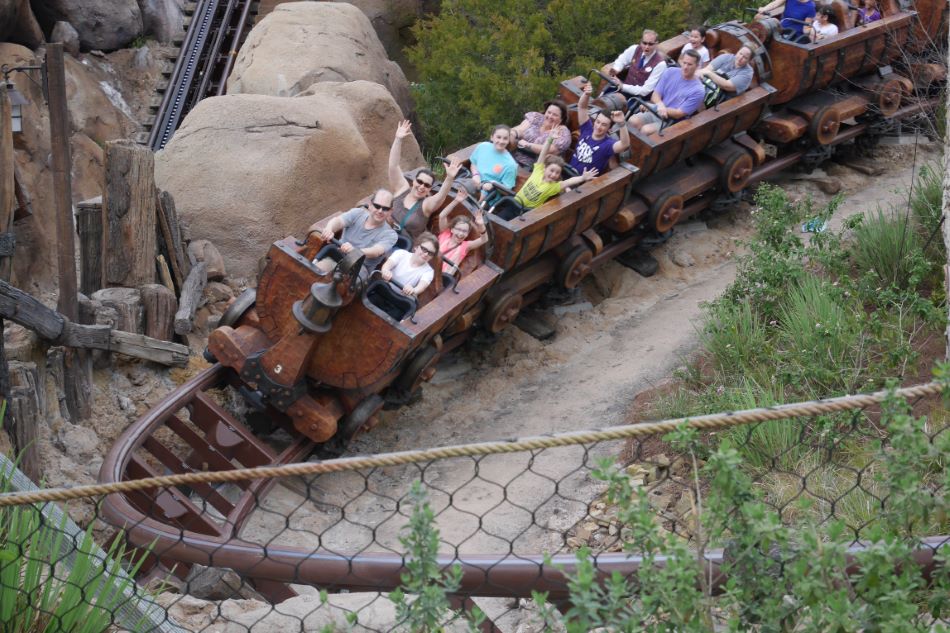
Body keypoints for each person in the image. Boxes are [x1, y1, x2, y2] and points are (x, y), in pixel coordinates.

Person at [388, 120, 463, 238]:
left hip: (402, 245)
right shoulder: (402, 188)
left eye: (427, 185)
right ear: (414, 181)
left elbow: (441, 196)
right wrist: (398, 139)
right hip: (382, 232)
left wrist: (449, 177)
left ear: (429, 189)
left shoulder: (426, 205)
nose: (422, 186)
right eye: (420, 182)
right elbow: (393, 166)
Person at [312, 189, 398, 276]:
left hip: (359, 270)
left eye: (385, 208)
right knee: (316, 272)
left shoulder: (390, 234)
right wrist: (329, 229)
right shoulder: (357, 213)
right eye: (377, 206)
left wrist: (355, 251)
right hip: (338, 255)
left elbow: (376, 251)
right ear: (371, 205)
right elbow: (338, 221)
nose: (380, 211)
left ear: (390, 211)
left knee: (338, 283)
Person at [629, 49, 705, 136]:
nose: (685, 67)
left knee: (646, 131)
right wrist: (659, 105)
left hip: (672, 121)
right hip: (657, 111)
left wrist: (655, 107)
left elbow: (678, 114)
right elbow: (655, 95)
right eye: (684, 63)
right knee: (633, 121)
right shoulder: (670, 71)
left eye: (690, 64)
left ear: (697, 66)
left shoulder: (698, 90)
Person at [515, 135, 598, 211]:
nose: (554, 175)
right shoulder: (538, 171)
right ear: (545, 168)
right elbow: (543, 154)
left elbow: (568, 182)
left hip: (525, 213)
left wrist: (582, 178)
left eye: (557, 173)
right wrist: (549, 140)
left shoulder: (553, 187)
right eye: (552, 171)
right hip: (514, 203)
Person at [568, 82, 630, 175]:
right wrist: (586, 95)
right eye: (598, 122)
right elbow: (582, 107)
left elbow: (624, 144)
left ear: (609, 129)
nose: (598, 126)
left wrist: (622, 123)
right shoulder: (587, 129)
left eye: (604, 125)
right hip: (567, 171)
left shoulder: (608, 144)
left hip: (582, 184)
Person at [603, 29, 668, 98]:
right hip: (623, 88)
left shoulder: (660, 64)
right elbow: (621, 60)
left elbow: (645, 91)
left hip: (638, 97)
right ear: (641, 42)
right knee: (604, 96)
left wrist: (623, 86)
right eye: (644, 43)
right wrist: (616, 69)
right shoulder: (634, 49)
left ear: (656, 44)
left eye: (650, 44)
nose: (647, 47)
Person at [437, 190, 489, 273]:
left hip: (441, 277)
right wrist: (456, 201)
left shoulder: (465, 246)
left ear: (467, 234)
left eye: (464, 231)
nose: (461, 234)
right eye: (458, 229)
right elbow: (442, 216)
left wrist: (481, 225)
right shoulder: (445, 234)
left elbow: (484, 239)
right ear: (452, 229)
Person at [510, 100, 572, 169]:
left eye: (555, 115)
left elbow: (550, 150)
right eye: (549, 112)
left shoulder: (563, 133)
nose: (550, 116)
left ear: (561, 119)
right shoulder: (536, 117)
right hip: (513, 156)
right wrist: (513, 133)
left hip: (534, 167)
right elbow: (520, 129)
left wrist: (528, 145)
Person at [380, 232, 439, 298]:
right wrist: (385, 271)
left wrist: (413, 290)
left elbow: (421, 286)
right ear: (416, 247)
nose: (426, 254)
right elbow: (387, 265)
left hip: (402, 299)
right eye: (424, 249)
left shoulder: (428, 271)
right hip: (384, 289)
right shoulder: (401, 253)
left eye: (430, 253)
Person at [468, 125, 518, 201]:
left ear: (508, 141)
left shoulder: (511, 165)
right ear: (492, 137)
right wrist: (475, 175)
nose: (501, 141)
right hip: (472, 182)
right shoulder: (483, 146)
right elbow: (473, 163)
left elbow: (507, 191)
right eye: (498, 137)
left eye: (505, 138)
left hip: (487, 194)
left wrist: (493, 186)